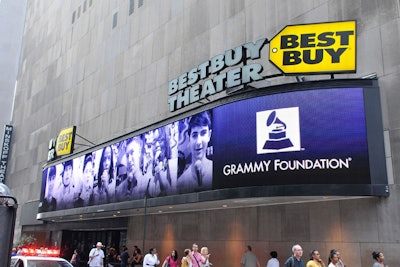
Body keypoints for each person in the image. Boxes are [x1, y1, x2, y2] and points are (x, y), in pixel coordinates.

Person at [177, 111, 213, 193]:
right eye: (194, 135)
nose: (198, 142)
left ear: (209, 135)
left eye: (203, 133)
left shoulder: (217, 172)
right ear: (189, 139)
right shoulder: (181, 183)